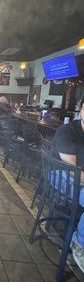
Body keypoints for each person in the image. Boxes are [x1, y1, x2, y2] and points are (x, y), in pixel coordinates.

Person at [52, 99, 84, 272]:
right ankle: (79, 244)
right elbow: (74, 171)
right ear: (80, 109)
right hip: (62, 175)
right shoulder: (67, 131)